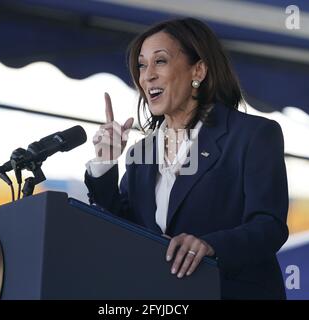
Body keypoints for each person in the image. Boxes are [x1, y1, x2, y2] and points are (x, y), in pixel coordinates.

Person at [84, 18, 289, 300]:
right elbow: (123, 229)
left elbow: (269, 227)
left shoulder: (252, 135)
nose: (147, 76)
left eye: (160, 61)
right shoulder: (139, 154)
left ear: (199, 70)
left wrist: (209, 245)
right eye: (142, 65)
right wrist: (104, 164)